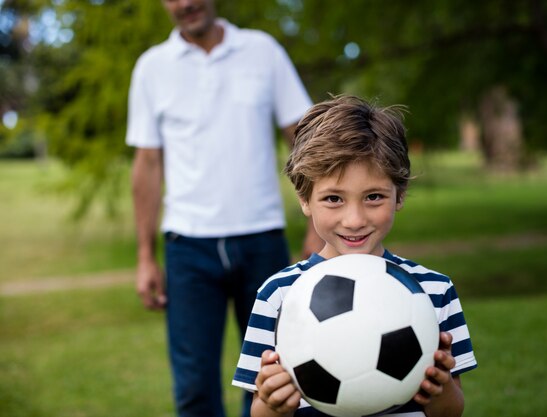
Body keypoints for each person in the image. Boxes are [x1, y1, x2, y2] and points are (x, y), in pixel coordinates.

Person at [125, 1, 321, 416]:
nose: (185, 3)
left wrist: (317, 229)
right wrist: (145, 256)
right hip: (187, 249)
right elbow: (147, 163)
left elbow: (305, 141)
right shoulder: (151, 68)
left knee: (275, 381)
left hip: (262, 243)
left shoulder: (262, 50)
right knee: (194, 389)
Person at [232, 95, 478, 417]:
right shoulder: (277, 295)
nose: (355, 219)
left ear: (399, 194)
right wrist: (273, 403)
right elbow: (261, 412)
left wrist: (439, 388)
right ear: (305, 199)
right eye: (333, 198)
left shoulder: (434, 291)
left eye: (373, 197)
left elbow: (450, 411)